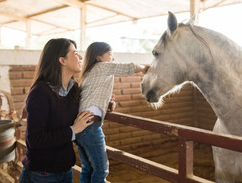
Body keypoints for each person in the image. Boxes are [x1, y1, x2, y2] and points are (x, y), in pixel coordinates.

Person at [19, 38, 95, 183]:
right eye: (75, 53)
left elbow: (87, 106)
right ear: (62, 60)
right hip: (42, 173)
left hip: (65, 170)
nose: (80, 57)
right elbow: (35, 140)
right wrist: (73, 130)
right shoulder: (40, 93)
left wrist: (107, 105)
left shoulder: (73, 89)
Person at [75, 42, 149, 183]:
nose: (112, 58)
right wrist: (145, 68)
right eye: (110, 54)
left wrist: (106, 104)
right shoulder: (102, 67)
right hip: (91, 126)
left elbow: (92, 97)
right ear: (98, 57)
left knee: (87, 169)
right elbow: (128, 68)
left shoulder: (88, 73)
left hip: (81, 128)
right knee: (101, 170)